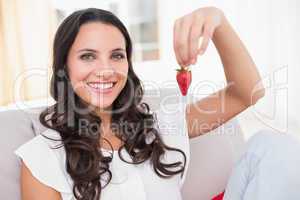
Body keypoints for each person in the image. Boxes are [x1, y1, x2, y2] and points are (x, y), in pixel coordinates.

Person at [13, 6, 297, 200]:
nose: (105, 69)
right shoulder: (42, 157)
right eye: (88, 56)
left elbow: (247, 92)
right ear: (64, 64)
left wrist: (217, 20)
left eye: (116, 55)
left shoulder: (157, 125)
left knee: (272, 146)